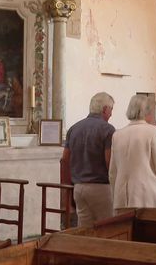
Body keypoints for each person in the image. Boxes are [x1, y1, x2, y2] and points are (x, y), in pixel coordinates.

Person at [109, 94, 156, 214]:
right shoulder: (154, 132)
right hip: (149, 196)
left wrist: (116, 194)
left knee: (128, 232)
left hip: (124, 198)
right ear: (147, 112)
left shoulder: (117, 134)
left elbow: (113, 172)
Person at [62, 92, 115, 228]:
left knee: (85, 230)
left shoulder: (74, 128)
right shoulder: (108, 130)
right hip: (101, 188)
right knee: (107, 229)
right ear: (104, 109)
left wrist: (66, 190)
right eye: (111, 110)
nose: (111, 114)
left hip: (78, 188)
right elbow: (109, 162)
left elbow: (65, 159)